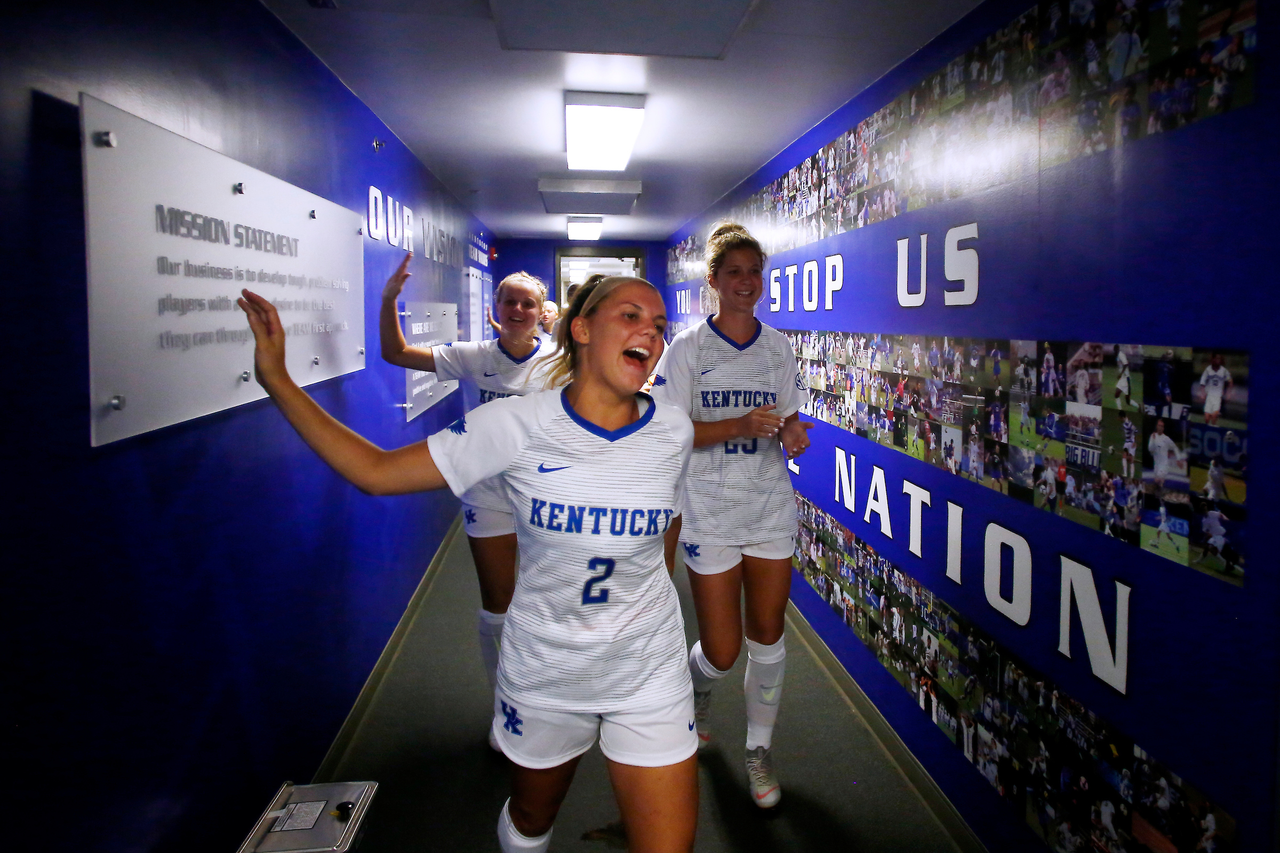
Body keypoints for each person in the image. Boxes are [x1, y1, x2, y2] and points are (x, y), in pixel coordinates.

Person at [241, 273, 698, 853]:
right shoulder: (514, 424)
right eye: (631, 316)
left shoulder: (673, 430)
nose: (650, 334)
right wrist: (277, 379)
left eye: (659, 325)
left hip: (648, 668)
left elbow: (667, 527)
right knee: (532, 819)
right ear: (580, 330)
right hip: (547, 668)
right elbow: (376, 472)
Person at [650, 223, 812, 810]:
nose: (746, 283)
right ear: (714, 282)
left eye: (754, 273)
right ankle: (696, 689)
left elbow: (788, 418)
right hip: (709, 511)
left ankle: (758, 750)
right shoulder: (688, 349)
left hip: (769, 506)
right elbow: (667, 434)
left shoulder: (778, 348)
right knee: (721, 650)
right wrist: (739, 426)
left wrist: (792, 434)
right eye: (734, 273)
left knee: (766, 636)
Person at [379, 255, 553, 737]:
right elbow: (396, 354)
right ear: (496, 307)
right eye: (510, 301)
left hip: (547, 495)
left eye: (528, 303)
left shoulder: (561, 361)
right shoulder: (474, 356)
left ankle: (544, 693)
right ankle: (506, 707)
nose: (518, 310)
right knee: (499, 603)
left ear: (542, 312)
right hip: (489, 494)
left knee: (542, 601)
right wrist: (389, 299)